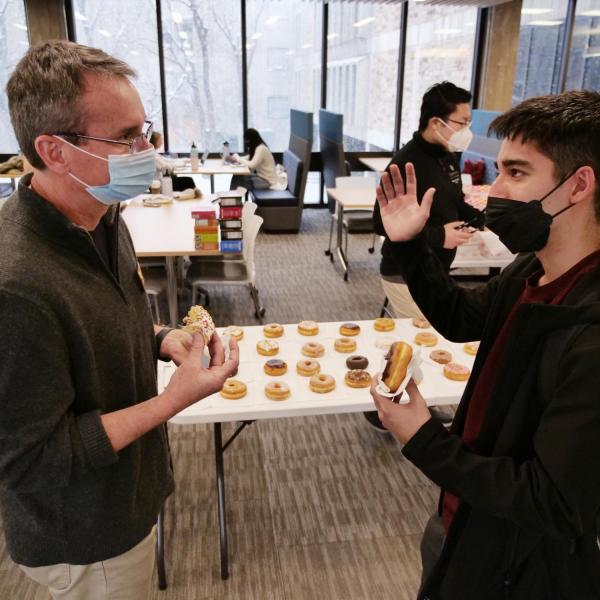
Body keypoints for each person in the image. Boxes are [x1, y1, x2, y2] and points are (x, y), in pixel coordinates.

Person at [1, 40, 239, 599]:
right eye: (126, 138)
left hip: (129, 489)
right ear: (54, 151)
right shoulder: (17, 286)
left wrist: (161, 340)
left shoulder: (102, 213)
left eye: (146, 131)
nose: (147, 150)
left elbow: (102, 319)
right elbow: (31, 461)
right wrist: (171, 401)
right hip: (87, 535)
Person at [371, 90, 600, 599]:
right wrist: (410, 245)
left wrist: (423, 438)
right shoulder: (532, 269)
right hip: (469, 514)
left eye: (516, 174)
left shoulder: (589, 338)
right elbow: (458, 317)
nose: (494, 191)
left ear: (578, 184)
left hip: (519, 562)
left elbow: (553, 501)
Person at [373, 81, 483, 321]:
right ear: (436, 122)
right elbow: (380, 223)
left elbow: (456, 201)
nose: (467, 130)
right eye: (462, 123)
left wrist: (486, 218)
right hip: (404, 273)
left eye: (468, 123)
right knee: (428, 339)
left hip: (436, 269)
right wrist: (439, 236)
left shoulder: (447, 155)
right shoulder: (406, 164)